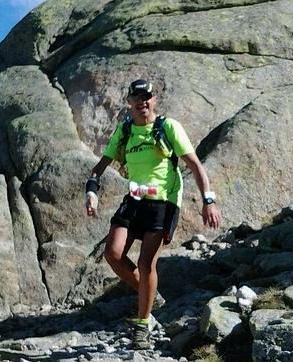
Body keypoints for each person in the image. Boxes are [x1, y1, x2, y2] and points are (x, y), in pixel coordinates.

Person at [85, 79, 222, 349]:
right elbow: (98, 168)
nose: (142, 102)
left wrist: (208, 200)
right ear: (130, 102)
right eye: (137, 97)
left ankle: (142, 325)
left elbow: (194, 164)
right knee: (112, 254)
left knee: (147, 263)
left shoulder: (167, 127)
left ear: (154, 100)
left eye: (147, 97)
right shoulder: (124, 131)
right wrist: (92, 191)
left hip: (163, 202)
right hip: (134, 199)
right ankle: (148, 293)